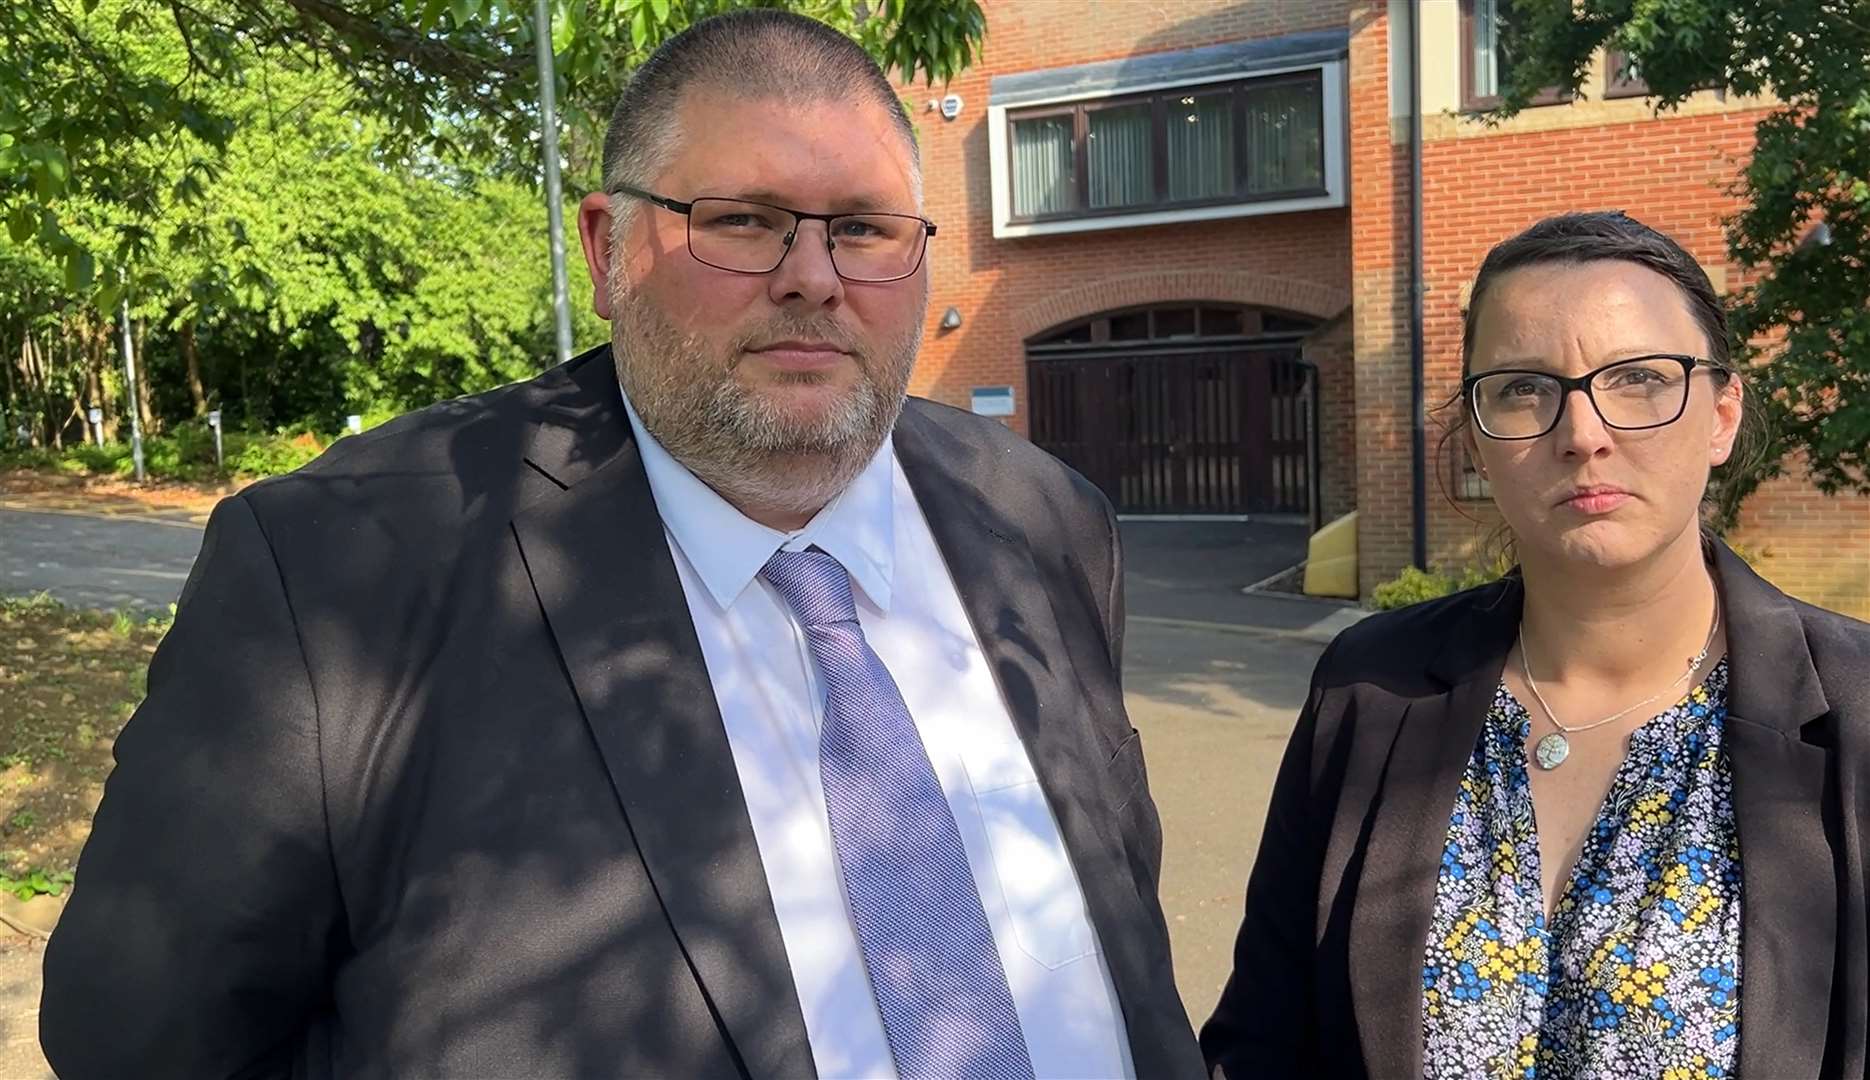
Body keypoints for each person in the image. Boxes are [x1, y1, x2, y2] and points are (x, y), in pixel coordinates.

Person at [40, 12, 1202, 1078]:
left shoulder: (1044, 520)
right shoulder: (337, 571)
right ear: (607, 249)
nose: (813, 277)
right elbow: (143, 1039)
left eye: (862, 228)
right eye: (743, 221)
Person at [1200, 211, 1870, 1079]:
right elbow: (1264, 1039)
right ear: (1478, 438)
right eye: (1523, 388)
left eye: (1637, 378)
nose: (1583, 434)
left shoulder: (1853, 714)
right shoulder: (1371, 691)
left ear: (1722, 416)